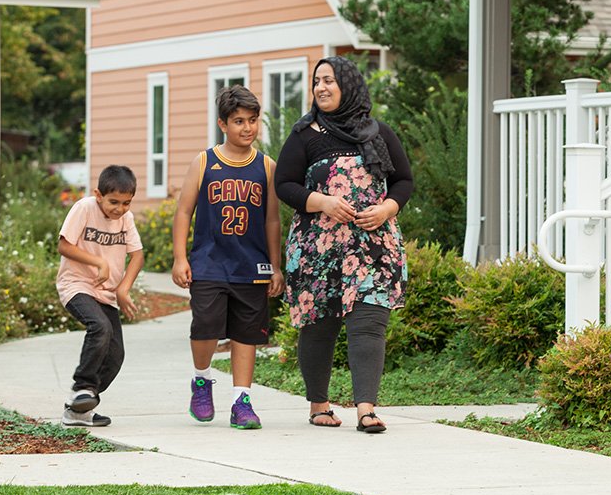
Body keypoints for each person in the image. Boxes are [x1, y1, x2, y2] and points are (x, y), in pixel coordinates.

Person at [274, 56, 413, 434]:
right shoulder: (305, 134)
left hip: (373, 246)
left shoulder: (378, 132)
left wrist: (386, 208)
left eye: (329, 80)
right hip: (318, 248)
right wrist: (323, 202)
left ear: (348, 85)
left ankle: (366, 409)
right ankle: (319, 403)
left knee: (369, 322)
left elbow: (403, 180)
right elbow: (284, 184)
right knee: (319, 324)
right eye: (317, 81)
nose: (321, 87)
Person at [172, 85, 284, 430]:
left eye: (253, 120)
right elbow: (183, 211)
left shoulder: (266, 166)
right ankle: (202, 380)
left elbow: (272, 219)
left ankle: (241, 401)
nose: (247, 128)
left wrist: (275, 266)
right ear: (223, 123)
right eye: (239, 121)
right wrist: (179, 258)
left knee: (246, 333)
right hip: (208, 262)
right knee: (205, 325)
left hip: (251, 265)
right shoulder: (205, 161)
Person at [56, 165, 145, 427]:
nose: (119, 209)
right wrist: (99, 262)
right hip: (77, 285)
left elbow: (137, 255)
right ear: (98, 195)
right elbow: (63, 245)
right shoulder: (84, 208)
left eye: (126, 203)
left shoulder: (125, 219)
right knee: (100, 327)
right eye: (114, 202)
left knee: (115, 356)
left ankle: (78, 410)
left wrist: (123, 288)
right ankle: (81, 387)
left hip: (106, 294)